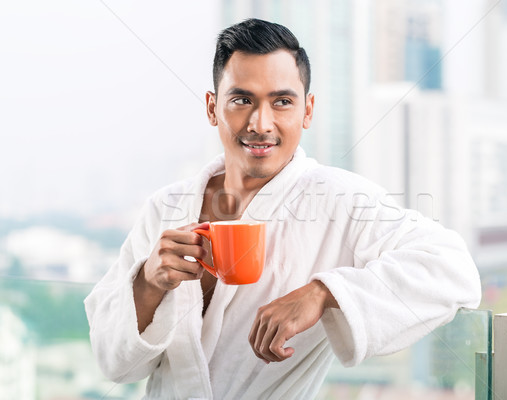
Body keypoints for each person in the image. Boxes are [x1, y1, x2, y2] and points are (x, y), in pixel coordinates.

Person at [84, 18, 481, 399]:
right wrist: (147, 283)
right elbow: (114, 365)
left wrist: (323, 292)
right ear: (212, 107)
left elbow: (454, 269)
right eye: (242, 100)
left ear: (307, 110)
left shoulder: (340, 200)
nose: (261, 123)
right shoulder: (164, 208)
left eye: (282, 102)